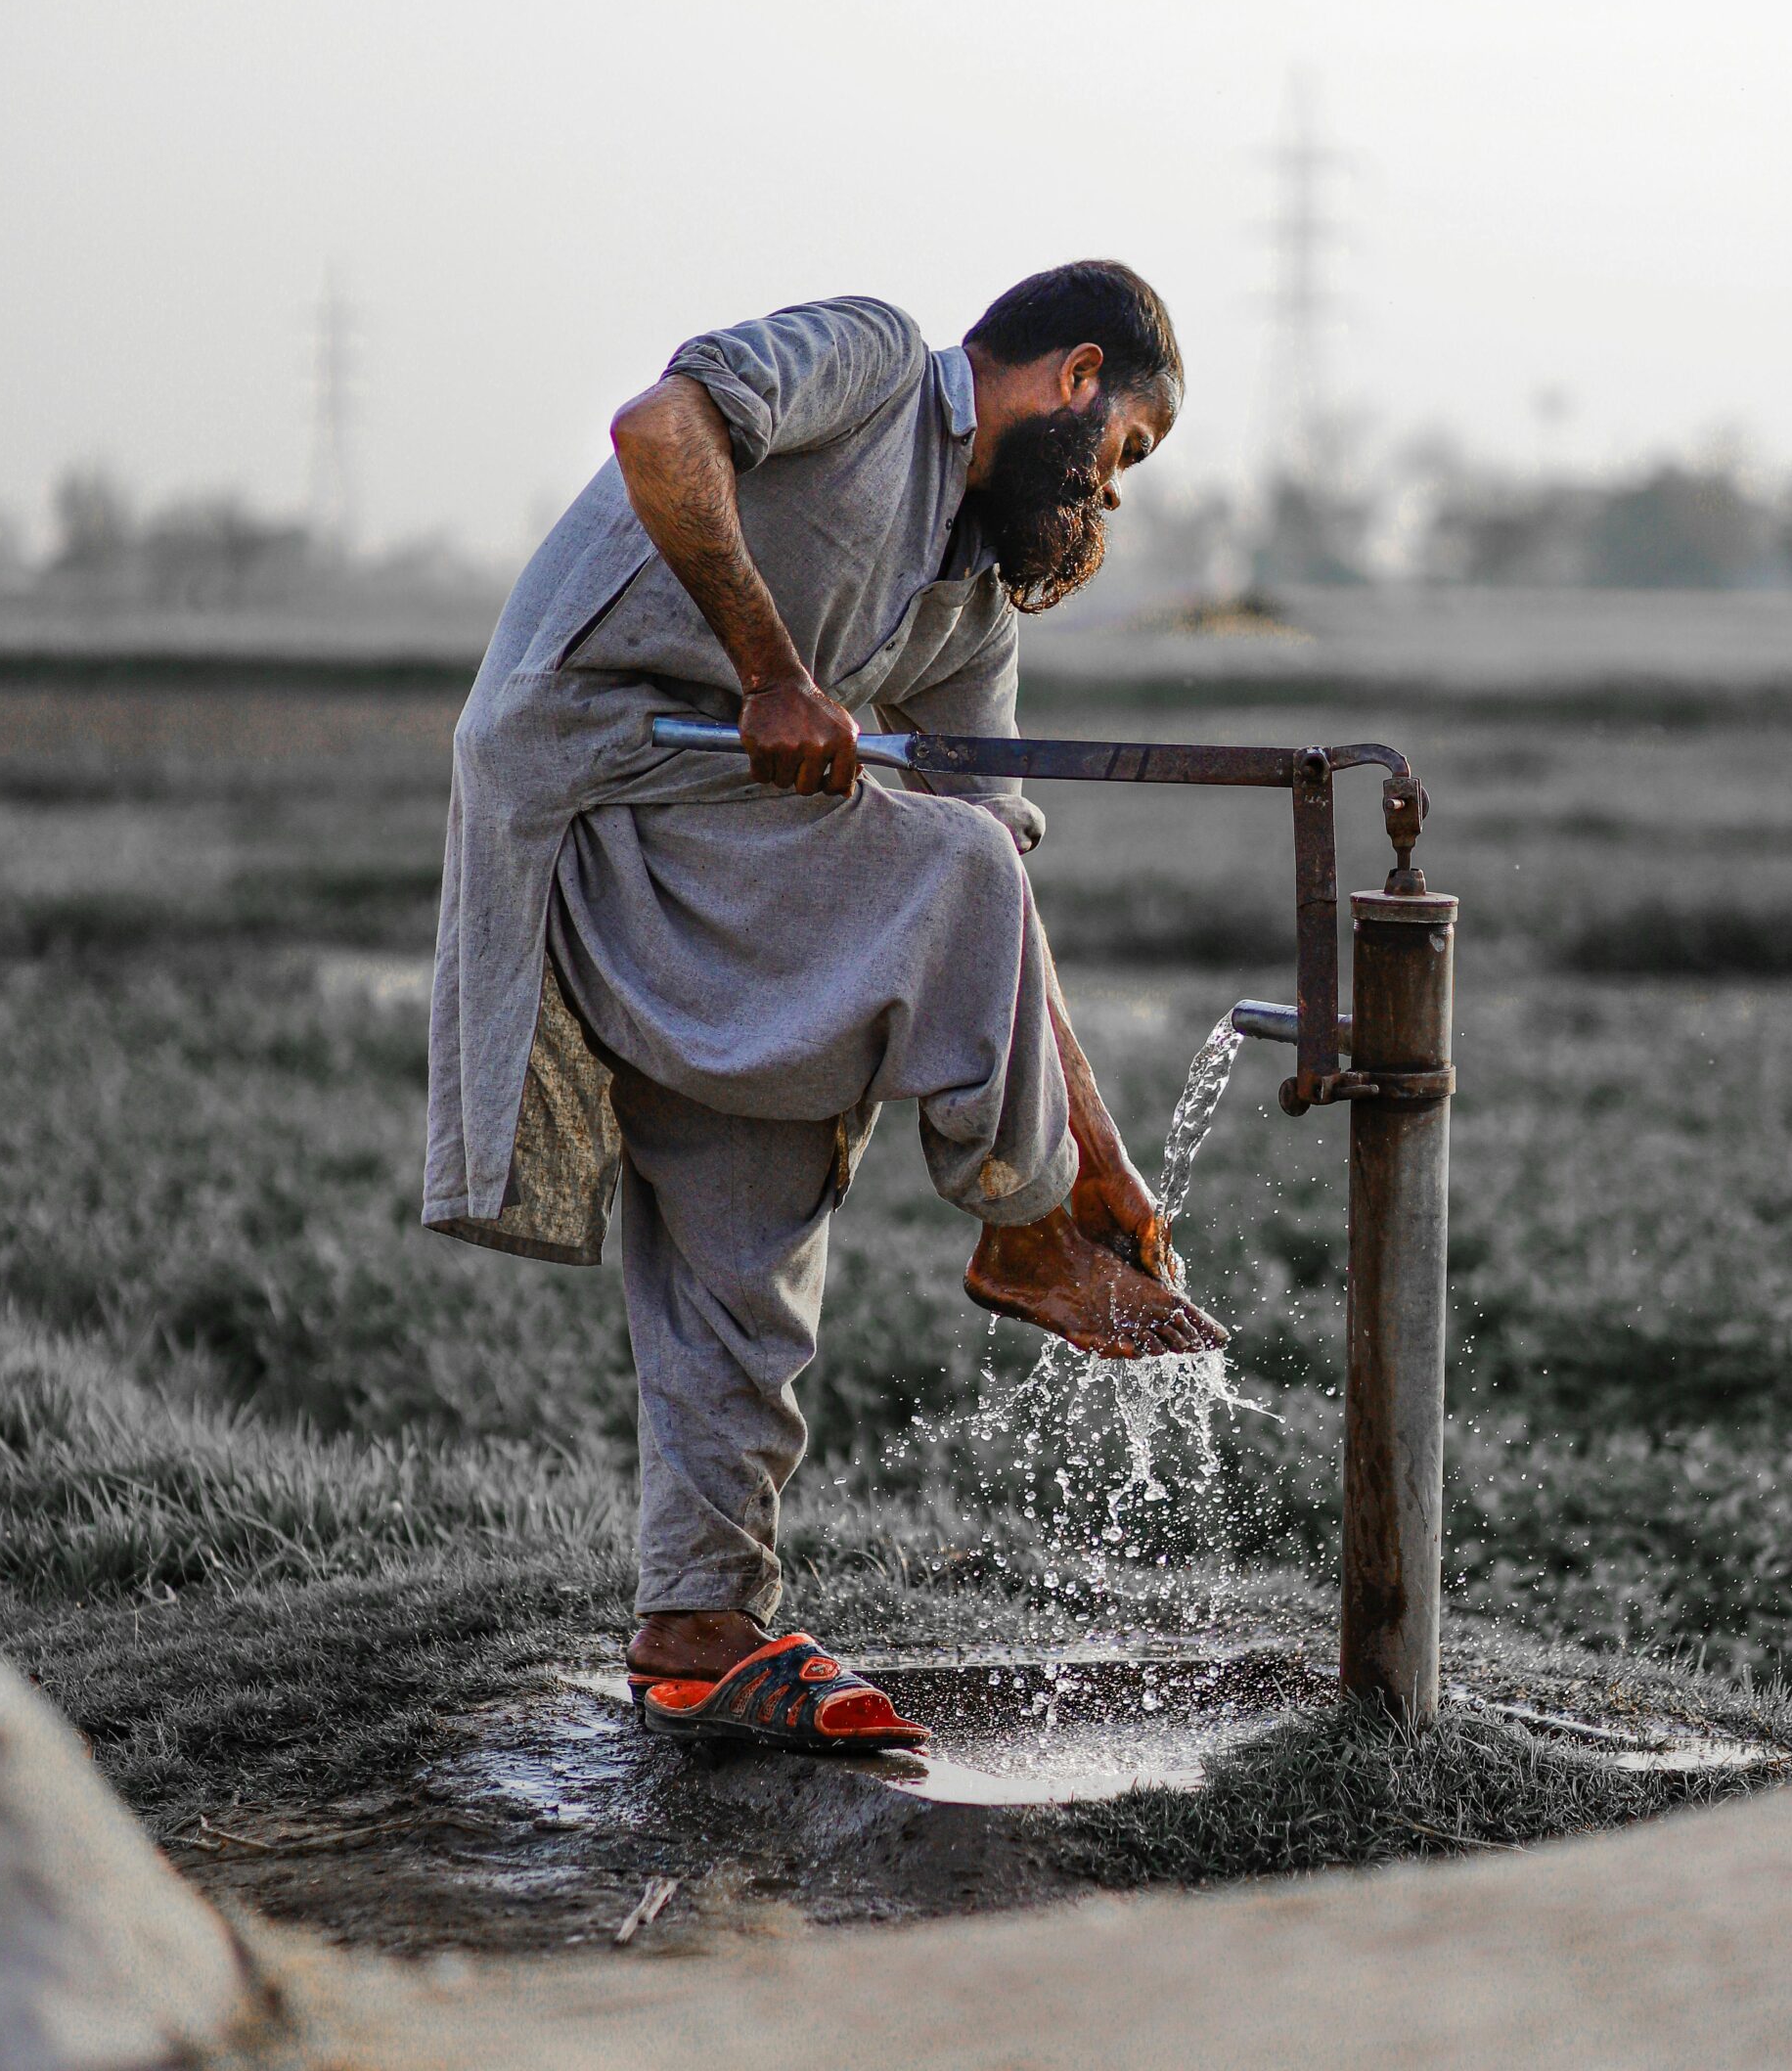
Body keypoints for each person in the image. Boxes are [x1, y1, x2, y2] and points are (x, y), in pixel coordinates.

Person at [423, 259, 1226, 1750]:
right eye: (1126, 453)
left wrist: (1098, 1150)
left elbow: (1001, 889)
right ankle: (1020, 1236)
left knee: (758, 1204)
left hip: (731, 856)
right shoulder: (869, 363)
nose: (1111, 498)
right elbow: (658, 433)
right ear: (1076, 377)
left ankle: (701, 1629)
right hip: (605, 794)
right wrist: (776, 676)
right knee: (956, 865)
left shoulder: (971, 609)